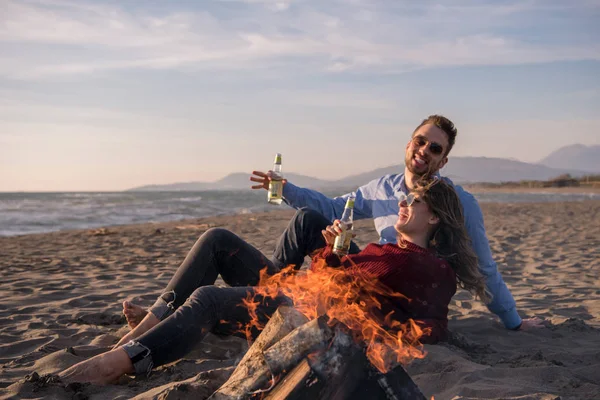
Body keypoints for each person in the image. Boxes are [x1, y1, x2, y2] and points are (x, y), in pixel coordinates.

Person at [59, 179, 487, 385]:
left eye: (413, 202)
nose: (403, 204)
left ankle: (121, 361)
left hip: (306, 315)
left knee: (209, 298)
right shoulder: (411, 257)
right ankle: (148, 329)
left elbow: (334, 276)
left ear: (435, 217)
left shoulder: (405, 259)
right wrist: (335, 251)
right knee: (218, 244)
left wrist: (331, 253)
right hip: (310, 301)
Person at [250, 115, 543, 331]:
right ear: (409, 144)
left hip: (400, 297)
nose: (425, 150)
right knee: (307, 219)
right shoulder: (381, 188)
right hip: (372, 269)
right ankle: (265, 297)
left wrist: (513, 322)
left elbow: (484, 266)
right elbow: (333, 208)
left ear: (443, 162)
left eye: (435, 149)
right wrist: (286, 189)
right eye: (421, 141)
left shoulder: (458, 202)